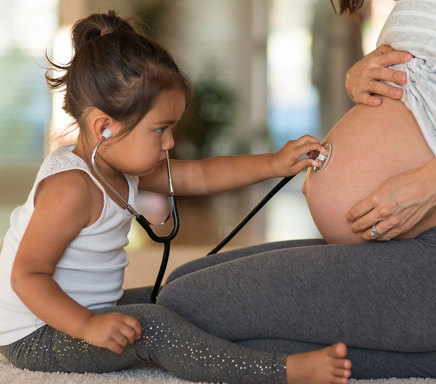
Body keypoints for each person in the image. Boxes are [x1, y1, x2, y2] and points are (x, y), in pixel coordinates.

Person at [0, 10, 355, 384]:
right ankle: (281, 371)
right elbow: (27, 276)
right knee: (152, 328)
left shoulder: (116, 163)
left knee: (181, 296)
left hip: (86, 310)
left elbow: (199, 174)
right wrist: (89, 325)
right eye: (160, 130)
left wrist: (274, 163)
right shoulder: (70, 189)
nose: (170, 142)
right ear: (105, 127)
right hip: (36, 334)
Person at [158, 0, 436, 381]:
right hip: (410, 243)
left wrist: (427, 184)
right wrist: (361, 75)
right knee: (183, 281)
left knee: (186, 306)